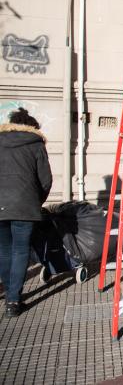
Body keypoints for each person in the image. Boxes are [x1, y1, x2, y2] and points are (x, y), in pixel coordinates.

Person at [0, 108, 53, 316]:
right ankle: (13, 301)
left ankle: (9, 292)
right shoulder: (36, 145)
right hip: (25, 206)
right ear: (32, 126)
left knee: (4, 250)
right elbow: (46, 180)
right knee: (20, 250)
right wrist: (36, 201)